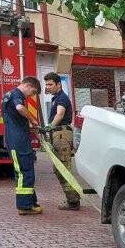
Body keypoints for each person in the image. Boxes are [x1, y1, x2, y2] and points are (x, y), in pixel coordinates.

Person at [1, 76, 42, 215]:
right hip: (18, 142)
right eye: (33, 92)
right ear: (29, 86)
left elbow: (14, 118)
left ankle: (30, 202)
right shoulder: (17, 95)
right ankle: (24, 207)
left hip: (16, 139)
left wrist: (27, 126)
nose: (31, 95)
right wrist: (32, 120)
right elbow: (19, 108)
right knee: (24, 173)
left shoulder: (8, 95)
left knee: (26, 172)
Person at [42, 72, 79, 210]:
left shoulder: (62, 98)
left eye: (50, 84)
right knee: (59, 169)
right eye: (46, 84)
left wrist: (50, 126)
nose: (48, 87)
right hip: (58, 134)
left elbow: (60, 114)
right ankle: (73, 198)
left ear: (58, 84)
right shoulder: (56, 98)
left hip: (61, 134)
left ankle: (73, 201)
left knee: (63, 168)